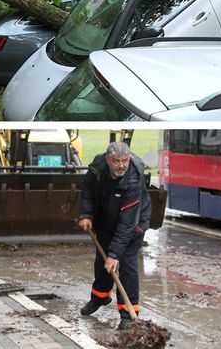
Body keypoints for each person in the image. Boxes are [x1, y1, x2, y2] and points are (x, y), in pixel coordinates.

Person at [77, 142, 151, 331]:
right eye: (116, 161)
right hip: (107, 222)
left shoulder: (133, 179)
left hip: (133, 225)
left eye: (124, 161)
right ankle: (99, 298)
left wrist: (115, 255)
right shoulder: (98, 168)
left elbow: (127, 223)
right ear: (108, 159)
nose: (121, 166)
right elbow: (87, 190)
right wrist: (85, 214)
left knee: (126, 267)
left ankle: (128, 314)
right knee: (102, 264)